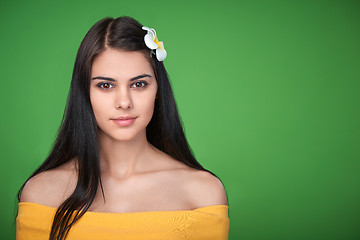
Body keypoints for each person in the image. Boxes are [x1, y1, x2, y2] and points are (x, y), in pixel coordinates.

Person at [16, 16, 229, 240]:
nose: (124, 102)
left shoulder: (203, 192)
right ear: (84, 92)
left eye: (139, 84)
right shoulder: (40, 193)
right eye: (105, 85)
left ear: (157, 89)